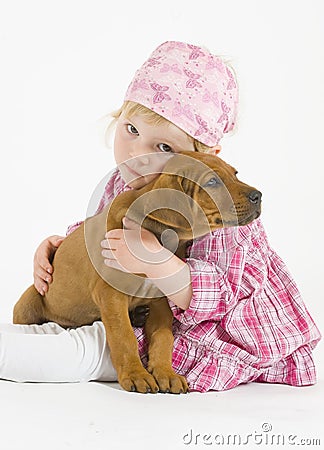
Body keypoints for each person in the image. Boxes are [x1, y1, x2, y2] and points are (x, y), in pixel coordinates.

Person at [0, 41, 321, 392]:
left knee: (90, 350)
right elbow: (101, 232)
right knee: (56, 323)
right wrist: (58, 246)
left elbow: (223, 291)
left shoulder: (224, 217)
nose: (137, 154)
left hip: (207, 327)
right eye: (131, 130)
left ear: (205, 157)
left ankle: (22, 354)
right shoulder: (122, 183)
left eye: (165, 148)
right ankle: (31, 339)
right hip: (129, 313)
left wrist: (160, 264)